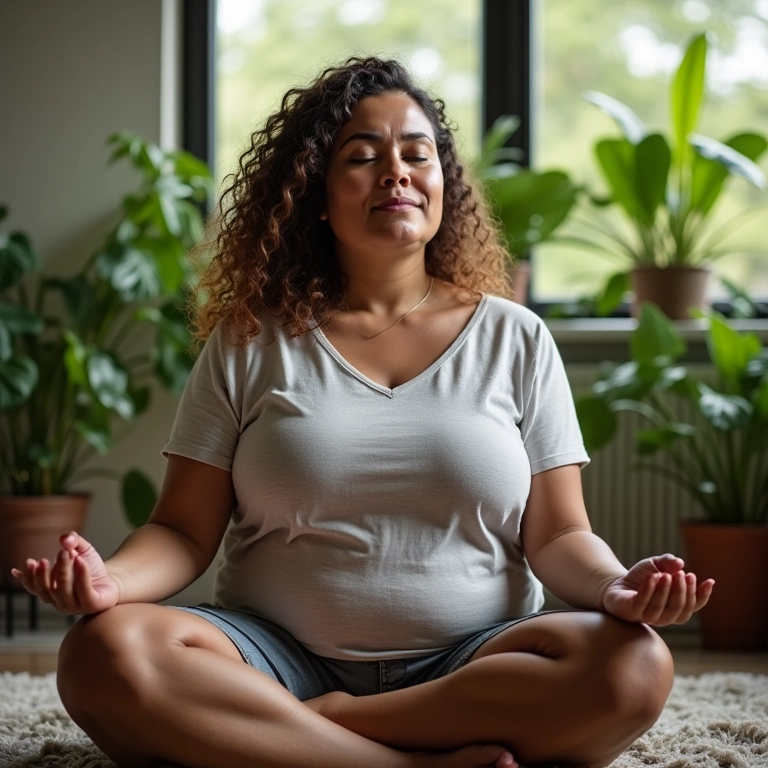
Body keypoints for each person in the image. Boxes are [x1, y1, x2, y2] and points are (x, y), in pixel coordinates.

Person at [12, 57, 714, 768]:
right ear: (316, 193)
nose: (397, 172)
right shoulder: (250, 338)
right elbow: (182, 530)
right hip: (274, 656)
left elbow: (561, 532)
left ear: (444, 186)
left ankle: (309, 730)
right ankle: (405, 762)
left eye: (418, 154)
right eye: (362, 156)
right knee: (104, 653)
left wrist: (615, 585)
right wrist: (112, 583)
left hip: (472, 664)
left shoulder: (515, 337)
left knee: (634, 666)